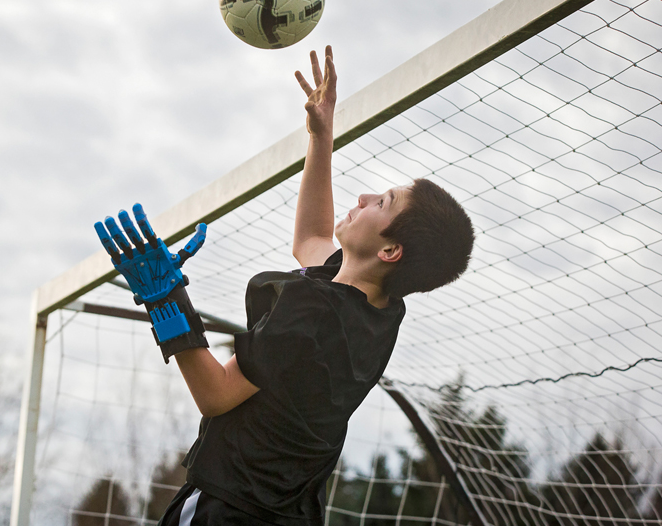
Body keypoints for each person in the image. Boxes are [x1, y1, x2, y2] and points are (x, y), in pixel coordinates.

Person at [96, 46, 474, 526]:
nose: (363, 196)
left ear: (390, 251)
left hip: (229, 510)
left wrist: (165, 299)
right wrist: (321, 135)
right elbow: (311, 239)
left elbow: (215, 394)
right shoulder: (379, 310)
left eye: (383, 201)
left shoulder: (310, 310)